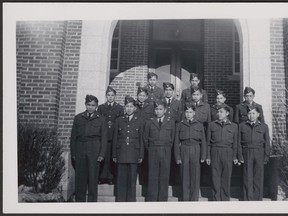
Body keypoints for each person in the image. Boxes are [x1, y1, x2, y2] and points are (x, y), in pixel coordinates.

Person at [70, 94, 107, 202]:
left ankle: (92, 205)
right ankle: (80, 204)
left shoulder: (101, 119)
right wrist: (73, 153)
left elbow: (104, 138)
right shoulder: (78, 118)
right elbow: (73, 137)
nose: (90, 107)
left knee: (92, 179)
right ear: (85, 105)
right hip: (80, 150)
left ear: (96, 106)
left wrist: (101, 154)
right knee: (80, 179)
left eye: (93, 105)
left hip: (94, 150)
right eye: (88, 105)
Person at [112, 96, 144, 202]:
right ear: (124, 108)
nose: (129, 108)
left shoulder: (139, 121)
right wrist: (114, 154)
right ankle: (121, 201)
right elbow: (115, 138)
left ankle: (131, 202)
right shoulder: (119, 120)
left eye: (131, 106)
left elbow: (141, 139)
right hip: (121, 153)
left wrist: (141, 155)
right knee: (121, 179)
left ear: (135, 108)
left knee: (131, 180)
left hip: (134, 153)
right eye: (127, 106)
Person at [144, 100, 175, 201]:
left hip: (166, 150)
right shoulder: (149, 121)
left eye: (161, 109)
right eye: (156, 109)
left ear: (165, 110)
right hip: (153, 150)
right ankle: (152, 199)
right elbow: (145, 138)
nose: (158, 111)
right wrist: (151, 149)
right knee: (152, 175)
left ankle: (162, 200)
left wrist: (166, 148)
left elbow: (172, 138)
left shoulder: (170, 122)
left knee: (164, 175)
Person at [174, 103, 206, 201]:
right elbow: (176, 142)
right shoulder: (180, 125)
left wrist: (203, 155)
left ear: (194, 113)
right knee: (184, 175)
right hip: (184, 149)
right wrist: (177, 157)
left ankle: (194, 200)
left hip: (196, 149)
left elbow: (203, 141)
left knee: (195, 176)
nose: (188, 114)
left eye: (190, 112)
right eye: (187, 112)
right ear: (184, 113)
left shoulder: (199, 125)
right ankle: (185, 199)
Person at [206, 105, 238, 201]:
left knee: (226, 176)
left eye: (221, 112)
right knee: (215, 176)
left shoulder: (234, 126)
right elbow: (208, 142)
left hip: (228, 152)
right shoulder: (212, 125)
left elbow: (235, 143)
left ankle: (225, 199)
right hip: (215, 151)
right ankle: (216, 198)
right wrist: (208, 156)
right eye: (218, 112)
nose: (218, 114)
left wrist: (234, 156)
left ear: (227, 113)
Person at [238, 106, 270, 201]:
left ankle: (257, 199)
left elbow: (267, 142)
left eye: (253, 113)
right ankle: (248, 199)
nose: (251, 116)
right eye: (249, 113)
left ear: (258, 115)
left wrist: (266, 155)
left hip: (259, 152)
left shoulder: (264, 126)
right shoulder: (242, 125)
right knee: (247, 176)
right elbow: (238, 142)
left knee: (258, 176)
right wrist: (240, 155)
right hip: (246, 151)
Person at [98, 86, 123, 185]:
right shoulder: (101, 107)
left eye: (112, 95)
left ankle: (111, 177)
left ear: (115, 96)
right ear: (106, 96)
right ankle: (101, 177)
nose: (110, 97)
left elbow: (121, 122)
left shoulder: (119, 108)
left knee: (113, 157)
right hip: (104, 137)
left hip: (114, 136)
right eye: (108, 95)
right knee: (103, 156)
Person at [134, 86, 154, 196]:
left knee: (145, 158)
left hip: (146, 135)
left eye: (143, 95)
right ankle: (136, 179)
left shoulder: (150, 107)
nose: (141, 97)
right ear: (137, 96)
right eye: (140, 95)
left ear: (146, 96)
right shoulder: (134, 106)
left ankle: (144, 181)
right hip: (135, 136)